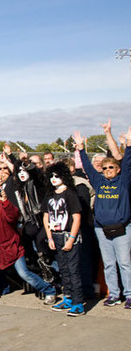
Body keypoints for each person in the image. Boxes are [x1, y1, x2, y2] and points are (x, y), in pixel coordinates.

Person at [74, 127, 131, 308]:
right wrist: (81, 149)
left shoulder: (123, 182)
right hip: (101, 229)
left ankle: (129, 295)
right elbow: (88, 168)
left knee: (124, 263)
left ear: (117, 169)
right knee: (108, 264)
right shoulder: (98, 182)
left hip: (122, 227)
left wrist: (129, 145)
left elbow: (128, 164)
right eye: (105, 167)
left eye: (111, 167)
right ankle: (113, 295)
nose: (107, 170)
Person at [42, 162, 85, 316]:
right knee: (63, 269)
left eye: (57, 175)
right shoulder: (49, 194)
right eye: (51, 176)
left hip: (69, 236)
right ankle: (67, 297)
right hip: (55, 236)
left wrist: (71, 239)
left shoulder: (70, 194)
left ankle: (78, 302)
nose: (54, 179)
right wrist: (49, 237)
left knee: (73, 270)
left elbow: (77, 218)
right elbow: (46, 216)